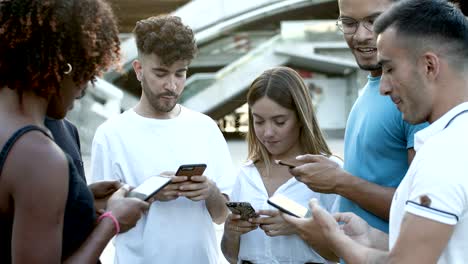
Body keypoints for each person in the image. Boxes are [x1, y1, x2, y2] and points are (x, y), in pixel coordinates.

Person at [285, 0, 468, 263]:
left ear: (429, 66)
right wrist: (369, 237)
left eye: (390, 69)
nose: (384, 87)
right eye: (348, 22)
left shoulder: (442, 156)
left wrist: (333, 239)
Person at [0, 0, 149, 263]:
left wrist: (78, 198)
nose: (83, 90)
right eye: (87, 72)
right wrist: (112, 222)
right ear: (64, 67)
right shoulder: (38, 156)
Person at [91, 15, 236, 264]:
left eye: (180, 74)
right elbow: (101, 221)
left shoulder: (206, 128)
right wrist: (148, 194)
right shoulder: (110, 134)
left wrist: (210, 191)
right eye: (161, 73)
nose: (172, 85)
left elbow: (222, 216)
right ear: (138, 70)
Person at [288, 0, 427, 235]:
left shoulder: (416, 98)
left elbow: (422, 211)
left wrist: (340, 181)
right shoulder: (372, 88)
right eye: (348, 23)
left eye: (374, 21)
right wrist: (336, 173)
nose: (361, 35)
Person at [221, 67, 341, 264]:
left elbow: (343, 254)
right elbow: (231, 257)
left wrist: (301, 226)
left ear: (301, 118)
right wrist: (231, 232)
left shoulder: (330, 170)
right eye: (258, 122)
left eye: (279, 122)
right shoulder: (246, 174)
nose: (268, 132)